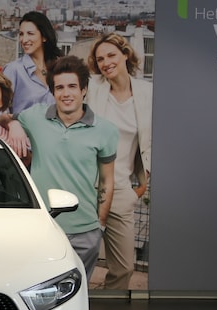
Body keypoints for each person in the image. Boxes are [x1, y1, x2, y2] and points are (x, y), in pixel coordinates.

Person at [7, 56, 117, 279]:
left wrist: (100, 225)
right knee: (37, 288)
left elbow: (107, 179)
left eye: (72, 86)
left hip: (85, 232)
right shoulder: (34, 117)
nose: (66, 93)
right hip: (43, 228)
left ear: (84, 90)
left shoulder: (106, 130)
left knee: (78, 292)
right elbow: (3, 118)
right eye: (59, 88)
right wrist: (14, 123)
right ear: (53, 92)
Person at [86, 33, 152, 289]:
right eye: (100, 59)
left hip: (122, 188)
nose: (106, 62)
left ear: (126, 54)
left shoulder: (147, 93)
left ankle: (108, 308)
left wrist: (141, 188)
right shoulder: (92, 88)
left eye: (111, 55)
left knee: (124, 268)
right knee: (77, 261)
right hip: (85, 185)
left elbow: (153, 141)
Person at [2, 11, 63, 114]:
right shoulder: (14, 69)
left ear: (44, 37)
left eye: (30, 34)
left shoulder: (59, 68)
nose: (24, 40)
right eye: (21, 34)